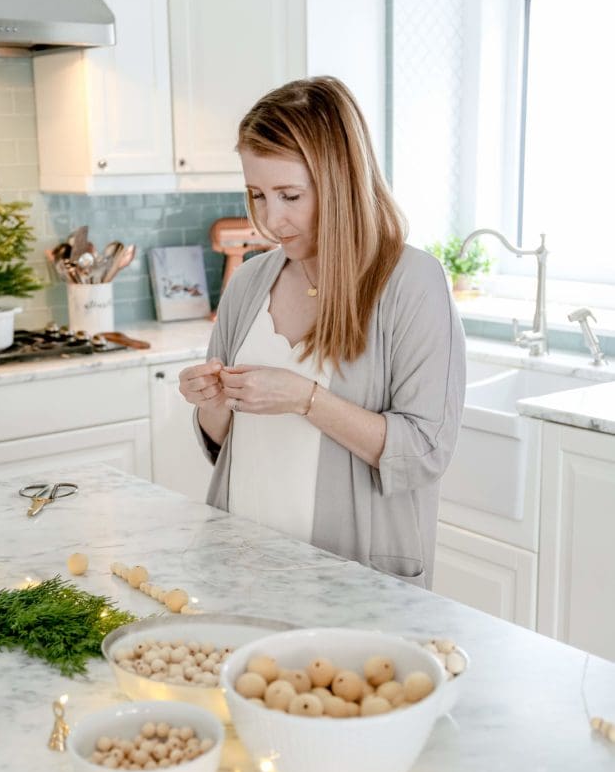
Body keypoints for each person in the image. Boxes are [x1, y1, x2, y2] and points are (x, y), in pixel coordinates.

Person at [179, 76, 465, 589]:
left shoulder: (411, 283)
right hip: (241, 564)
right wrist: (210, 399)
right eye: (257, 195)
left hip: (350, 582)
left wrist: (307, 399)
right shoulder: (249, 282)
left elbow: (424, 450)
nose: (272, 220)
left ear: (340, 181)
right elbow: (223, 442)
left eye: (290, 195)